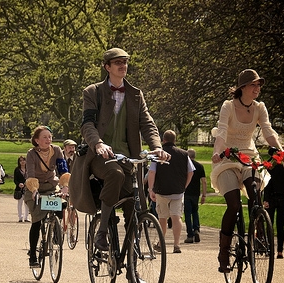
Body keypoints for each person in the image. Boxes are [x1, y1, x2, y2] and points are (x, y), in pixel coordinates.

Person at [69, 47, 169, 252]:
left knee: (134, 201)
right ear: (107, 67)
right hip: (100, 155)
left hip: (128, 156)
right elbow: (87, 124)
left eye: (125, 62)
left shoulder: (135, 94)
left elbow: (147, 124)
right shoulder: (93, 92)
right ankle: (102, 231)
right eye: (118, 63)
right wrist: (97, 143)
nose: (123, 66)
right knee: (114, 174)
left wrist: (157, 147)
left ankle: (132, 260)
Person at [211, 69, 282, 273]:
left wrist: (279, 151)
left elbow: (268, 131)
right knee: (233, 205)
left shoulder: (260, 108)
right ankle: (224, 252)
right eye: (253, 85)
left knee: (255, 195)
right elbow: (222, 131)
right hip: (227, 158)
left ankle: (258, 232)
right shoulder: (228, 106)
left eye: (259, 85)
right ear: (242, 87)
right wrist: (217, 152)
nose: (257, 88)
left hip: (249, 157)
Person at [25, 125, 70, 267]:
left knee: (61, 203)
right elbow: (30, 174)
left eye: (50, 137)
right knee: (37, 221)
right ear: (37, 140)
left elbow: (63, 169)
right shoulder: (31, 154)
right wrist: (34, 190)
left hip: (51, 185)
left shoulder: (56, 150)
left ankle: (56, 232)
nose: (48, 139)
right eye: (44, 137)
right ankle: (33, 255)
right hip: (34, 188)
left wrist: (65, 186)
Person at [148, 130, 194, 254]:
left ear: (163, 140)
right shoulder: (184, 154)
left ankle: (161, 243)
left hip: (161, 190)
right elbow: (191, 172)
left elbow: (152, 172)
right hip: (178, 191)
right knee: (176, 217)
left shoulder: (158, 154)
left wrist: (150, 189)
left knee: (162, 218)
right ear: (175, 140)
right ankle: (176, 244)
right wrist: (184, 186)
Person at [264, 146, 284, 259]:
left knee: (279, 225)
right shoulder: (270, 166)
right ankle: (270, 248)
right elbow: (267, 183)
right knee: (270, 224)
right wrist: (266, 199)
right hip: (272, 197)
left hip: (283, 197)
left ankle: (279, 250)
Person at [184, 148, 207, 243]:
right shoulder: (200, 166)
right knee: (195, 211)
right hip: (196, 193)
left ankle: (190, 235)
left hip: (186, 192)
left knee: (187, 214)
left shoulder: (185, 166)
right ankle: (196, 229)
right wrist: (204, 195)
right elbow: (204, 181)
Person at [13, 155, 29, 222]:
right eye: (21, 161)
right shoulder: (17, 170)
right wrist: (19, 184)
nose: (22, 162)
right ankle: (20, 217)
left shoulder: (28, 169)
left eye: (23, 160)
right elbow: (15, 180)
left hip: (27, 188)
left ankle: (26, 217)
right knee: (20, 203)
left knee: (27, 203)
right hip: (19, 189)